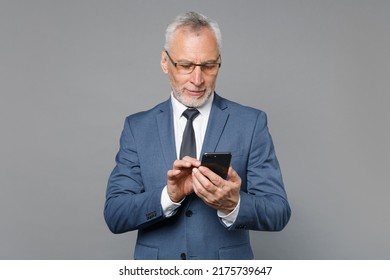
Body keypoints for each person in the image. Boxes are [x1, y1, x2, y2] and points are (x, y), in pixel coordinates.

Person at [104, 11, 291, 260]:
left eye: (208, 66)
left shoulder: (250, 123)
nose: (197, 79)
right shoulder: (137, 128)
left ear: (219, 62)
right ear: (164, 62)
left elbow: (278, 211)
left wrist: (233, 204)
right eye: (185, 65)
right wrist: (168, 196)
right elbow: (115, 215)